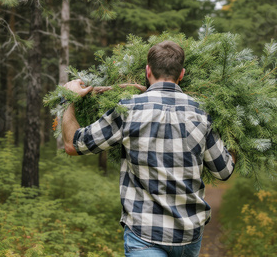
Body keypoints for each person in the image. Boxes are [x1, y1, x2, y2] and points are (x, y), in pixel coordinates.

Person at [61, 40, 236, 257]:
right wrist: (235, 139)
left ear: (147, 70)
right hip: (188, 236)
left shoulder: (128, 109)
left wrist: (68, 101)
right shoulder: (201, 113)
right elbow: (224, 171)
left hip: (144, 234)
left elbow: (73, 144)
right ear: (181, 74)